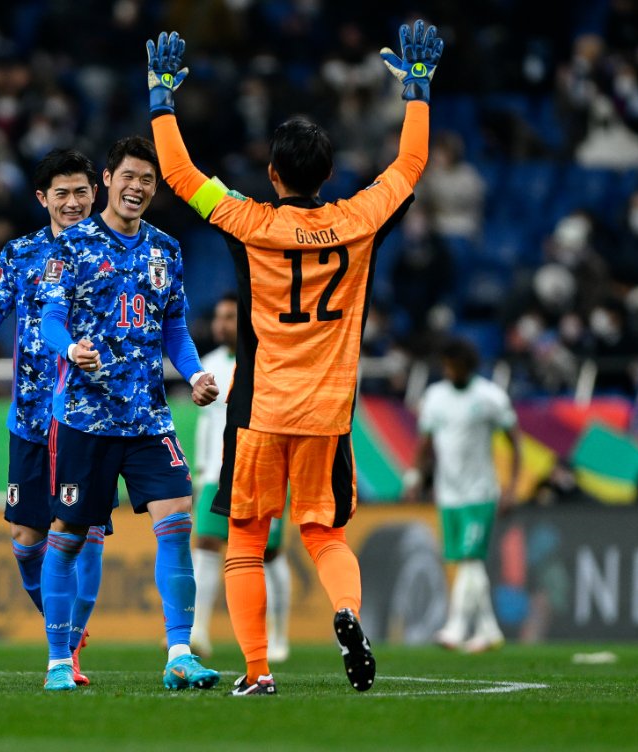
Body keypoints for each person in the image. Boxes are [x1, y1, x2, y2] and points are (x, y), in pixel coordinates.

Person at [146, 21, 442, 695]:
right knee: (327, 533)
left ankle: (257, 671)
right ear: (329, 175)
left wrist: (162, 98)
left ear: (274, 174)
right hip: (329, 409)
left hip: (261, 406)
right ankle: (344, 612)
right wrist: (418, 93)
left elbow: (180, 175)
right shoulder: (362, 219)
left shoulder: (250, 222)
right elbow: (410, 168)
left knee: (246, 538)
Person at [36, 135, 222, 692]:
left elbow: (174, 329)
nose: (137, 187)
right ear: (106, 183)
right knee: (66, 535)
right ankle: (57, 661)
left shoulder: (166, 249)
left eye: (148, 180)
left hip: (147, 419)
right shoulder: (70, 246)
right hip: (85, 420)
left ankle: (180, 652)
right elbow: (48, 321)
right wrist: (70, 348)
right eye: (129, 177)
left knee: (178, 520)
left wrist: (194, 375)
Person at [0, 148, 108, 685]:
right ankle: (62, 624)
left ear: (95, 192)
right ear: (42, 198)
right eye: (61, 193)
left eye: (81, 191)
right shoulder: (20, 253)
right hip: (29, 417)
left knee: (84, 534)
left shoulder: (115, 253)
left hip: (91, 419)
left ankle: (66, 652)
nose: (72, 202)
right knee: (27, 543)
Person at [190, 292, 292, 663]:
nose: (221, 324)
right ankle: (199, 632)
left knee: (270, 554)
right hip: (216, 474)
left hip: (261, 471)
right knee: (204, 546)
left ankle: (278, 636)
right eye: (219, 316)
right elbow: (207, 423)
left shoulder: (267, 360)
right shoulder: (209, 364)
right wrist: (201, 472)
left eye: (230, 316)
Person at [404, 337, 521, 653]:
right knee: (466, 561)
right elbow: (425, 443)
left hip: (480, 492)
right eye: (445, 365)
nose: (449, 370)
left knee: (470, 558)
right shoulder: (435, 397)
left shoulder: (490, 397)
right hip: (448, 493)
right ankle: (489, 629)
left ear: (468, 366)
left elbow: (515, 441)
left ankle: (456, 627)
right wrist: (414, 476)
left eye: (453, 365)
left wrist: (511, 487)